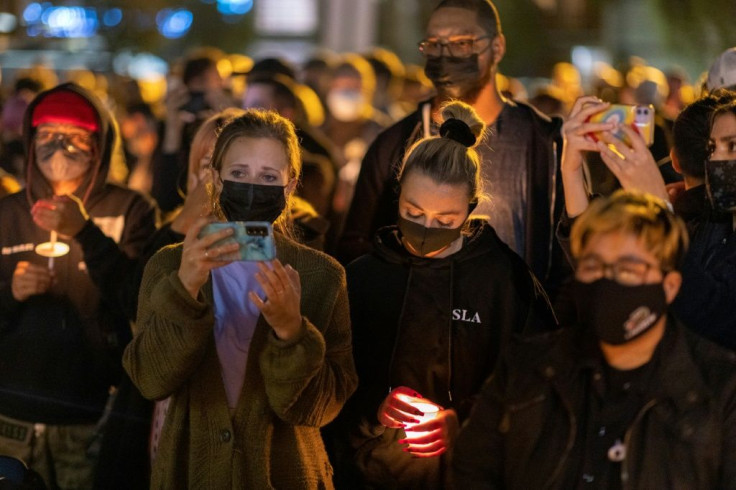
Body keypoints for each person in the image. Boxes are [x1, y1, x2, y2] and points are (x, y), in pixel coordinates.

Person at [123, 109, 358, 489]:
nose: (252, 187)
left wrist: (291, 331)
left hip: (285, 472)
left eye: (268, 177)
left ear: (291, 184)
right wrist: (185, 286)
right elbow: (151, 379)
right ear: (215, 178)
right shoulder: (170, 263)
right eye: (238, 174)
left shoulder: (321, 276)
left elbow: (322, 407)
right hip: (191, 470)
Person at [329, 101, 557, 489]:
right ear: (396, 194)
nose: (425, 229)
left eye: (445, 221)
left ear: (470, 210)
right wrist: (374, 408)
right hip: (369, 474)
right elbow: (326, 385)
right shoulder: (362, 278)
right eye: (413, 213)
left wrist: (466, 420)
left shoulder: (501, 279)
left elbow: (539, 374)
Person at [453, 189, 736, 488]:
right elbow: (471, 473)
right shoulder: (525, 368)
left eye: (627, 270)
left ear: (669, 286)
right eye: (593, 266)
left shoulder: (720, 391)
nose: (607, 283)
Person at [338, 0, 566, 298]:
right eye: (433, 44)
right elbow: (357, 244)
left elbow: (570, 252)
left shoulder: (542, 141)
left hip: (514, 331)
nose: (445, 54)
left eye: (461, 43)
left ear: (496, 47)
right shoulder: (395, 143)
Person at [0, 83, 157, 489]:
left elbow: (137, 299)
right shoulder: (7, 212)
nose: (59, 148)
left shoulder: (129, 210)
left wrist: (85, 232)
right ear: (30, 141)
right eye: (47, 135)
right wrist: (10, 293)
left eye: (74, 138)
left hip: (92, 410)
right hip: (12, 408)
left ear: (99, 144)